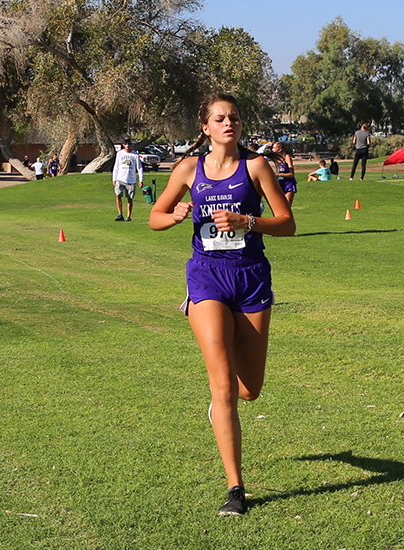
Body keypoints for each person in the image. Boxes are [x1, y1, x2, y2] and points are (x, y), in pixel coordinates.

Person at [149, 93, 296, 516]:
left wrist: (248, 222)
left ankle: (223, 400)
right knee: (224, 386)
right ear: (205, 128)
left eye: (233, 117)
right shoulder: (187, 170)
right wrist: (175, 215)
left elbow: (287, 224)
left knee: (249, 389)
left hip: (250, 279)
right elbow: (154, 217)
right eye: (220, 118)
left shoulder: (256, 168)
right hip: (207, 277)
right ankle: (236, 488)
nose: (228, 123)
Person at [112, 137, 144, 222]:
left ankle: (128, 216)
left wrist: (141, 180)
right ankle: (120, 214)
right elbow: (116, 166)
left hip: (131, 180)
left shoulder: (135, 155)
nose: (127, 146)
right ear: (123, 145)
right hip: (120, 178)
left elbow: (139, 168)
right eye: (126, 144)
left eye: (129, 144)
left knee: (130, 198)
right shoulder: (119, 154)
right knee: (118, 195)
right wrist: (114, 178)